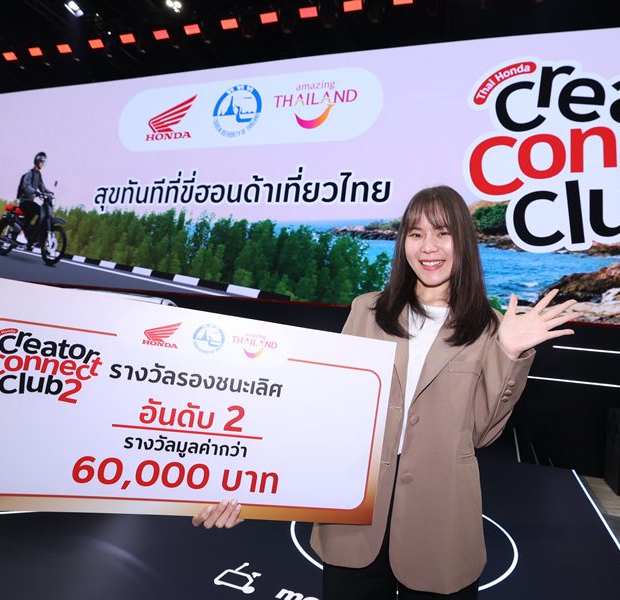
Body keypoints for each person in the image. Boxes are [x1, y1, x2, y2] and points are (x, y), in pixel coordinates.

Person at [194, 185, 579, 599]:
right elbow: (323, 416)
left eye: (443, 233)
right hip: (355, 519)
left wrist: (509, 352)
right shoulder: (366, 311)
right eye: (416, 233)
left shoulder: (490, 327)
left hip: (440, 523)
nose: (428, 247)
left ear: (464, 241)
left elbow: (481, 434)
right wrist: (245, 490)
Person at [16, 151, 51, 245]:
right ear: (37, 161)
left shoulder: (38, 174)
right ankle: (21, 233)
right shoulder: (30, 173)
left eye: (43, 162)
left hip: (30, 201)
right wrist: (35, 192)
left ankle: (34, 235)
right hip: (24, 201)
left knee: (42, 213)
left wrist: (50, 193)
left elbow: (42, 188)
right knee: (33, 210)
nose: (42, 164)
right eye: (41, 161)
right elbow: (26, 186)